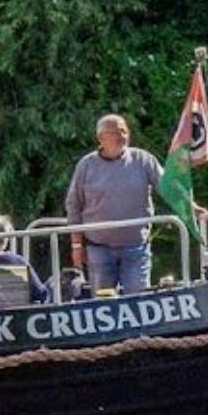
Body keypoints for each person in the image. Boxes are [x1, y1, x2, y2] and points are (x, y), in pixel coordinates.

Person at [66, 112, 164, 294]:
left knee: (138, 301)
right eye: (115, 132)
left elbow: (168, 188)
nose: (121, 136)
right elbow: (74, 205)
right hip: (99, 249)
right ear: (100, 137)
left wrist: (190, 206)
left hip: (136, 247)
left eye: (124, 131)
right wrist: (77, 246)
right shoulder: (86, 166)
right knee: (103, 306)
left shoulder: (143, 160)